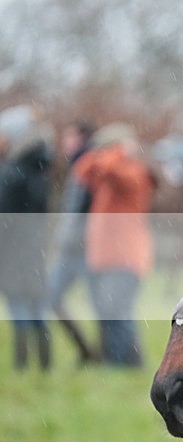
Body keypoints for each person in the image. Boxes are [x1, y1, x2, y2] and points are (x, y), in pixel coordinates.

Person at [73, 122, 156, 367]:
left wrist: (119, 150)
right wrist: (103, 152)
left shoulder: (135, 174)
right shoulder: (107, 179)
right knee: (105, 310)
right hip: (104, 258)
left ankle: (125, 364)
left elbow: (108, 167)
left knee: (116, 309)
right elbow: (82, 169)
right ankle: (114, 360)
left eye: (106, 148)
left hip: (127, 257)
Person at [0, 105, 53, 371]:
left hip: (12, 250)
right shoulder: (40, 166)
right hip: (34, 247)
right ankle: (45, 362)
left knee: (18, 304)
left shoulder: (13, 171)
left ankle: (22, 364)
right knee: (35, 304)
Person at [47, 119, 98, 364]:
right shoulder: (78, 164)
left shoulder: (87, 165)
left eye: (69, 136)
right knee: (52, 296)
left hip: (83, 249)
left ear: (81, 138)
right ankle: (88, 352)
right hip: (75, 247)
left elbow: (82, 211)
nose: (64, 142)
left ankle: (98, 355)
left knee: (100, 304)